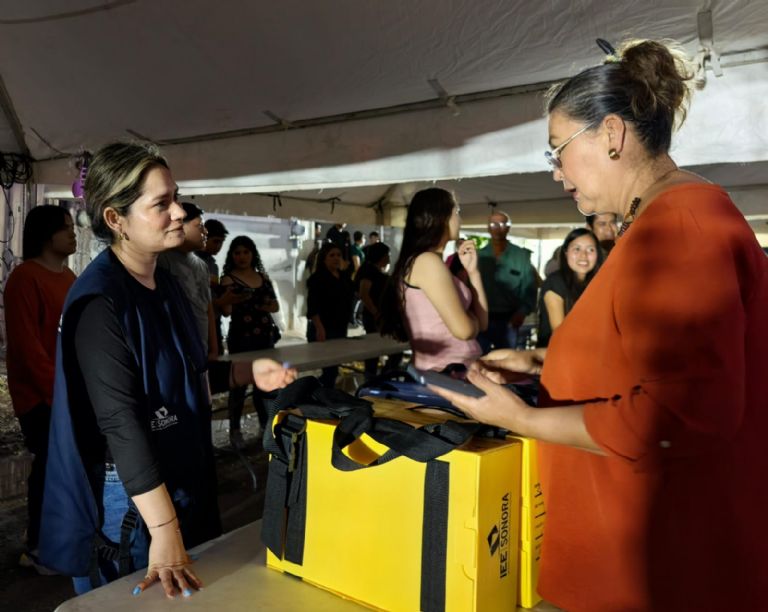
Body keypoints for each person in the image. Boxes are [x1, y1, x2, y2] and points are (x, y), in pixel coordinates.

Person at [429, 39, 768, 611]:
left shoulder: (680, 224)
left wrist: (524, 420)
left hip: (659, 573)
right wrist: (542, 362)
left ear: (611, 134)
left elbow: (686, 412)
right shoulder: (665, 220)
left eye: (557, 152)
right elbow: (654, 360)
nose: (558, 175)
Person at [38, 142, 296, 599]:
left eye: (175, 197)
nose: (179, 211)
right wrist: (163, 527)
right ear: (116, 219)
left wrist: (246, 374)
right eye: (161, 204)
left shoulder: (166, 281)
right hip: (134, 495)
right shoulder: (100, 302)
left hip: (179, 468)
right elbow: (120, 422)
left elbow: (187, 373)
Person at [4, 205, 77, 573]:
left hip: (69, 392)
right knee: (50, 467)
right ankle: (38, 545)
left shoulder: (70, 277)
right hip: (41, 396)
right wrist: (57, 394)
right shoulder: (24, 278)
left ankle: (64, 538)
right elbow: (27, 348)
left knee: (68, 468)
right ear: (47, 235)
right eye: (66, 228)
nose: (73, 233)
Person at [380, 188, 488, 373]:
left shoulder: (430, 262)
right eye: (457, 212)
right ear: (441, 217)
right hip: (446, 374)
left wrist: (473, 272)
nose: (460, 219)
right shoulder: (427, 262)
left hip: (453, 371)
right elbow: (465, 331)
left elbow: (482, 324)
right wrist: (472, 320)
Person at [220, 235, 281, 446]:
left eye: (246, 252)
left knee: (265, 385)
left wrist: (266, 306)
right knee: (238, 386)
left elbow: (275, 306)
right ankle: (235, 431)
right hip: (241, 339)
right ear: (232, 256)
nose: (242, 256)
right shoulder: (227, 279)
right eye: (237, 252)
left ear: (253, 254)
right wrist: (229, 301)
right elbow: (226, 311)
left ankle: (266, 426)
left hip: (265, 336)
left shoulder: (263, 278)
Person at [158, 202, 218, 357]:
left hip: (201, 348)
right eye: (199, 226)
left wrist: (213, 348)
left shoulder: (202, 265)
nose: (205, 232)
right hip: (177, 351)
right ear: (180, 226)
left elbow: (207, 308)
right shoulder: (162, 260)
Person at [477, 210, 537, 352]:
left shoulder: (521, 256)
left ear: (508, 228)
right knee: (480, 362)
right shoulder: (478, 256)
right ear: (488, 228)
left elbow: (530, 289)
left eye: (502, 223)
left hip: (509, 321)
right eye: (493, 223)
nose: (497, 227)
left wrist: (522, 313)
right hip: (482, 320)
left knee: (507, 363)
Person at [536, 228, 604, 347]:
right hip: (557, 354)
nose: (583, 255)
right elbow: (560, 334)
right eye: (577, 249)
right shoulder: (555, 282)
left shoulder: (596, 285)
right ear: (566, 252)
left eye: (590, 249)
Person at [306, 242, 355, 387]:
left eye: (338, 255)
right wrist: (319, 327)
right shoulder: (317, 279)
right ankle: (319, 394)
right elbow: (312, 306)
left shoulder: (343, 277)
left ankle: (323, 393)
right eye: (332, 255)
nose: (336, 258)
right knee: (330, 369)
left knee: (334, 366)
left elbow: (352, 292)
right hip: (324, 327)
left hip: (340, 326)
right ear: (324, 259)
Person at [355, 242, 397, 379]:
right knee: (373, 351)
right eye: (387, 255)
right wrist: (376, 313)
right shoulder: (369, 271)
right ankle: (372, 378)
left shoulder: (376, 270)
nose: (389, 258)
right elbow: (364, 294)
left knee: (385, 349)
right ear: (381, 256)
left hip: (380, 315)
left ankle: (383, 374)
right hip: (374, 316)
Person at [195, 218, 235, 355]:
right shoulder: (192, 261)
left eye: (221, 242)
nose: (219, 246)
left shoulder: (213, 265)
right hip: (198, 323)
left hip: (215, 320)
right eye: (215, 241)